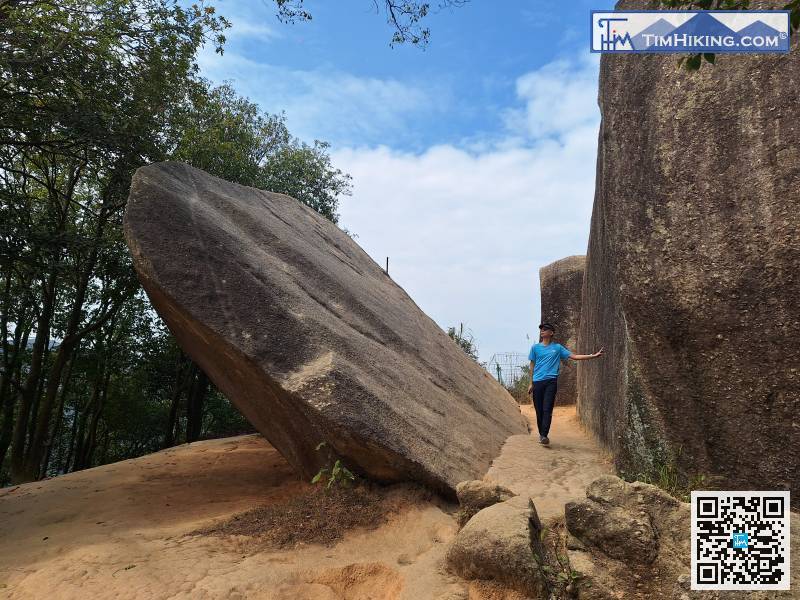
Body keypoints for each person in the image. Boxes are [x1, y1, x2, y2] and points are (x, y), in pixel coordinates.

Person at [526, 322, 603, 445]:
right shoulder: (535, 348)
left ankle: (544, 435)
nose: (542, 331)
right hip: (537, 382)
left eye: (545, 329)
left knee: (547, 409)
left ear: (551, 333)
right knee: (539, 410)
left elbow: (575, 356)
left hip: (551, 381)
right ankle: (542, 433)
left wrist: (593, 356)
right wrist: (531, 383)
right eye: (541, 329)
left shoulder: (557, 348)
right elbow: (532, 365)